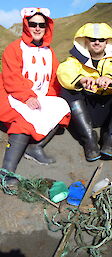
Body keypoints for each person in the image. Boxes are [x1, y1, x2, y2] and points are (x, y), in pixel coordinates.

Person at [0, 7, 71, 185]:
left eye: (42, 24)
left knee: (61, 107)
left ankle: (35, 147)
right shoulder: (14, 48)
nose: (37, 28)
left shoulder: (50, 52)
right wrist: (27, 97)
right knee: (25, 118)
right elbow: (11, 78)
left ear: (47, 27)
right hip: (14, 94)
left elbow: (54, 80)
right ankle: (7, 172)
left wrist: (49, 100)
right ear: (26, 25)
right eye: (33, 24)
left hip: (38, 96)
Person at [57, 23, 112, 161]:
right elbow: (64, 72)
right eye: (92, 39)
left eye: (101, 39)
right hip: (86, 111)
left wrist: (110, 79)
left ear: (107, 42)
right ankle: (89, 140)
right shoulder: (73, 61)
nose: (97, 42)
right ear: (85, 41)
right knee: (67, 89)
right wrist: (81, 80)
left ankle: (110, 140)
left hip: (109, 110)